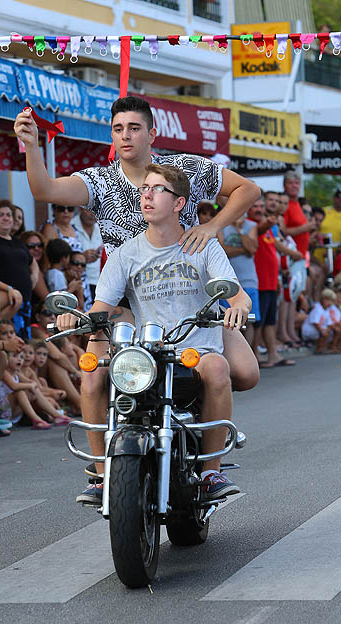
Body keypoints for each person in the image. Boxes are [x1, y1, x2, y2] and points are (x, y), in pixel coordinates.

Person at [14, 95, 261, 394]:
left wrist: (211, 227)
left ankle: (198, 413)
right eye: (118, 129)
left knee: (246, 375)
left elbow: (248, 189)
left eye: (134, 128)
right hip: (127, 299)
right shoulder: (99, 181)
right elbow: (44, 190)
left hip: (186, 290)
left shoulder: (183, 169)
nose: (126, 135)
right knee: (92, 378)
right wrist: (30, 145)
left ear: (152, 134)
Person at [58, 164, 252, 505]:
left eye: (157, 189)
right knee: (92, 371)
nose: (146, 195)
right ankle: (102, 474)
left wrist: (237, 306)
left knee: (219, 368)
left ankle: (210, 473)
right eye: (144, 188)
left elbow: (236, 294)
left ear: (178, 203)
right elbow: (101, 306)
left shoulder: (202, 245)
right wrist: (74, 318)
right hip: (149, 350)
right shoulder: (124, 254)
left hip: (195, 347)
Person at [247, 197, 301, 367]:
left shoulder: (266, 226)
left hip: (270, 280)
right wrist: (271, 220)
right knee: (257, 323)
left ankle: (273, 355)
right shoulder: (252, 225)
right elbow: (262, 230)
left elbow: (275, 245)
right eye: (255, 206)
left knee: (270, 321)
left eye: (261, 206)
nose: (259, 209)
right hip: (259, 281)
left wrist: (289, 257)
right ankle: (254, 356)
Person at [0, 200, 38, 337]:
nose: (6, 218)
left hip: (23, 304)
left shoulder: (17, 242)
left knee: (22, 348)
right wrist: (8, 289)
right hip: (3, 299)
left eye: (9, 215)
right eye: (1, 215)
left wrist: (33, 277)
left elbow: (32, 262)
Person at [218, 214, 259, 345]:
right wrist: (243, 249)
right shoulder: (221, 225)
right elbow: (222, 251)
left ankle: (250, 354)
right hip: (228, 283)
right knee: (229, 322)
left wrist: (240, 231)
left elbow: (252, 248)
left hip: (249, 280)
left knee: (249, 321)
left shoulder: (251, 226)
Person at [71, 207, 103, 298]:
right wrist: (82, 257)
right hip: (78, 283)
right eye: (90, 210)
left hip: (99, 283)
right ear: (80, 209)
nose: (93, 214)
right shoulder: (71, 226)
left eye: (95, 210)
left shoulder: (101, 228)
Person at [282, 171, 314, 259]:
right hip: (291, 257)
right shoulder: (284, 205)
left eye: (297, 183)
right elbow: (282, 231)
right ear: (284, 186)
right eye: (290, 183)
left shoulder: (298, 204)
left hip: (302, 256)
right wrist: (305, 228)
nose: (294, 186)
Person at [301, 289, 337, 354]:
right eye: (328, 300)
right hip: (309, 329)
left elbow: (329, 323)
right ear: (323, 299)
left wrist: (328, 329)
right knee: (323, 333)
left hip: (318, 328)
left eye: (331, 301)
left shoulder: (327, 309)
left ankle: (324, 348)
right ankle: (319, 349)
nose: (330, 303)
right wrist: (322, 330)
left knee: (328, 331)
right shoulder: (317, 308)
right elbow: (315, 323)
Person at [20, 230, 50, 303]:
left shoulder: (44, 268)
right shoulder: (33, 271)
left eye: (40, 245)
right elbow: (49, 301)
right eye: (31, 246)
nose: (36, 248)